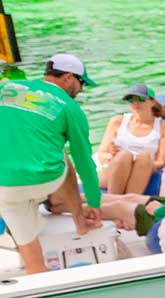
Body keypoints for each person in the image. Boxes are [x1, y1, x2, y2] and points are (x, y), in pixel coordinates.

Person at [0, 53, 103, 275]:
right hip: (42, 179)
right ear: (67, 77)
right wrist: (94, 202)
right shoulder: (69, 106)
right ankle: (79, 221)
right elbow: (84, 161)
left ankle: (37, 277)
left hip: (3, 187)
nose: (82, 89)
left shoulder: (8, 87)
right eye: (81, 82)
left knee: (28, 246)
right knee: (63, 155)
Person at [95, 83, 165, 195]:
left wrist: (135, 164)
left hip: (143, 168)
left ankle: (123, 200)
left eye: (141, 99)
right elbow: (102, 154)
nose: (135, 103)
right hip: (116, 169)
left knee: (144, 156)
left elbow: (160, 161)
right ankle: (116, 199)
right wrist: (111, 155)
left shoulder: (164, 127)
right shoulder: (117, 121)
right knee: (124, 156)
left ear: (152, 101)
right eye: (130, 100)